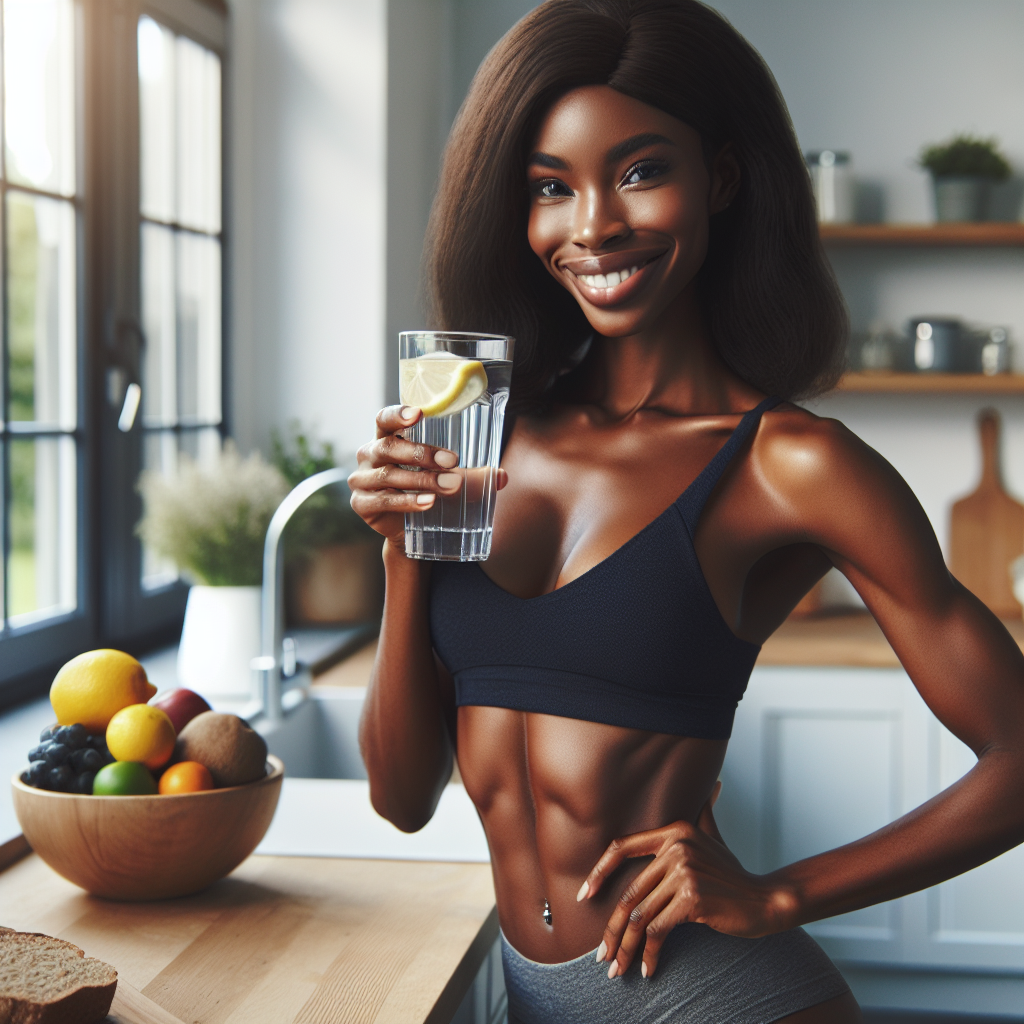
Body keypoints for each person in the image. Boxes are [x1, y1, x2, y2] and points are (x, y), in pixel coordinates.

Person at [348, 2, 1024, 1021]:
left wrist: (780, 892)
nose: (592, 227)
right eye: (549, 187)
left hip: (712, 997)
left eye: (637, 172)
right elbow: (402, 802)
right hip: (529, 995)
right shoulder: (484, 435)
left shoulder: (791, 465)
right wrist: (401, 555)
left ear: (720, 176)